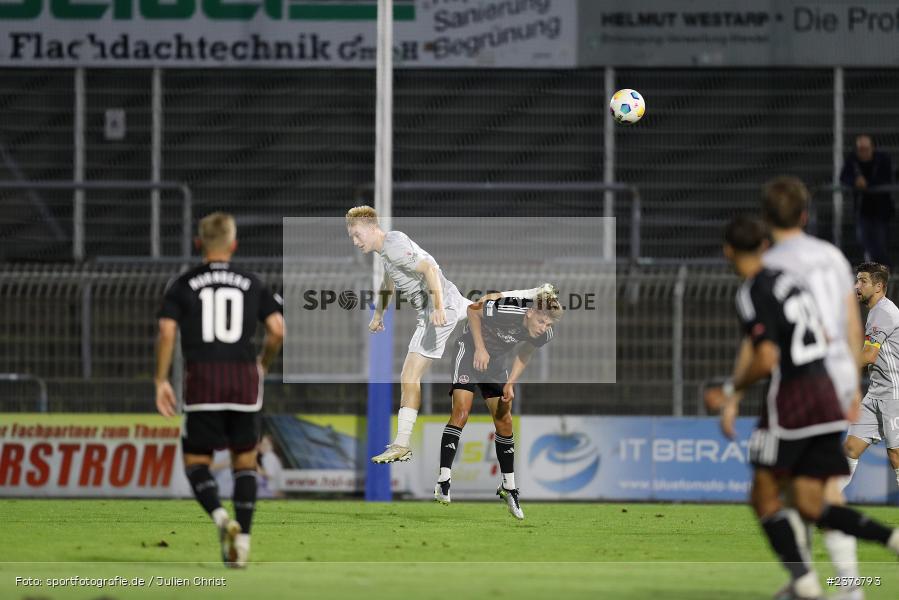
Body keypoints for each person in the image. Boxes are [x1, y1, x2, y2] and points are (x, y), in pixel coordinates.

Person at [706, 216, 899, 600]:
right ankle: (875, 555)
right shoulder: (819, 265)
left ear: (729, 251)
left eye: (863, 281)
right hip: (835, 394)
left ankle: (807, 583)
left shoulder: (761, 285)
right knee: (821, 492)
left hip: (801, 399)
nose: (857, 285)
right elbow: (837, 326)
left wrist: (730, 390)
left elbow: (765, 355)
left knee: (767, 492)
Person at [345, 205, 554, 464]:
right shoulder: (390, 249)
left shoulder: (393, 245)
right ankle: (535, 292)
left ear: (372, 227)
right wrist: (379, 315)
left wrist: (438, 308)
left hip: (439, 310)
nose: (355, 241)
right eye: (352, 236)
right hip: (450, 299)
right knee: (483, 304)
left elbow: (430, 270)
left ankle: (401, 443)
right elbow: (389, 280)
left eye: (357, 234)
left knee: (410, 375)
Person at [155, 212, 284, 568]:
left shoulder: (182, 284)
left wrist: (161, 379)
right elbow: (277, 329)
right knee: (246, 462)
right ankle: (241, 543)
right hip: (244, 382)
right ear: (233, 244)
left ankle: (219, 517)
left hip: (203, 383)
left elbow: (167, 331)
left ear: (199, 244)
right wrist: (263, 364)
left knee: (197, 462)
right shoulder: (252, 282)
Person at [759, 175, 866, 596]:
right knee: (815, 480)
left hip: (802, 382)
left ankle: (818, 584)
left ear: (768, 218)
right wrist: (854, 386)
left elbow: (769, 337)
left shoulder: (772, 264)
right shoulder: (833, 257)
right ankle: (834, 585)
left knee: (789, 481)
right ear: (805, 215)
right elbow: (851, 321)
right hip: (837, 378)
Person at [434, 291, 562, 520]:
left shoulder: (544, 334)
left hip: (495, 365)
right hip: (469, 352)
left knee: (505, 420)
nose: (544, 327)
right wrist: (481, 349)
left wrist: (510, 383)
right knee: (462, 411)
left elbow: (525, 354)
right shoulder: (508, 309)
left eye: (548, 323)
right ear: (530, 312)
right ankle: (444, 479)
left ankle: (509, 488)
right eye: (541, 321)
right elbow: (473, 310)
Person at [842, 262, 899, 493]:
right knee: (851, 448)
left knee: (896, 454)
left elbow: (869, 356)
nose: (857, 286)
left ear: (879, 286)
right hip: (876, 393)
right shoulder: (875, 312)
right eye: (857, 280)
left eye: (863, 281)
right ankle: (824, 508)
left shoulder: (884, 312)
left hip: (894, 394)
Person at [840, 134, 894, 267]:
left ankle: (884, 271)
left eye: (866, 148)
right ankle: (878, 271)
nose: (863, 152)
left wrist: (867, 184)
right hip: (862, 211)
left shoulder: (882, 159)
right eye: (860, 149)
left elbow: (886, 178)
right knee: (864, 242)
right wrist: (855, 182)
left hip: (881, 211)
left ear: (872, 148)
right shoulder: (852, 160)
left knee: (879, 244)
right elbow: (843, 177)